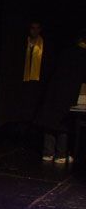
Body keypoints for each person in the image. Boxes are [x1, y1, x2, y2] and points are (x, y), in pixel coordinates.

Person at [34, 29, 86, 163]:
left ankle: (48, 153)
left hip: (53, 89)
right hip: (67, 91)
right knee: (63, 122)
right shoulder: (82, 54)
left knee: (50, 120)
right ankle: (61, 154)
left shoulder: (65, 51)